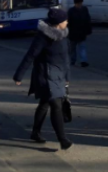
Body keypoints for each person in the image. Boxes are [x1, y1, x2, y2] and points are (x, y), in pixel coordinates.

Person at [13, 9, 73, 150]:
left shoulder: (64, 36)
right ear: (58, 24)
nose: (67, 22)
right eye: (65, 20)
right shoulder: (43, 37)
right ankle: (63, 139)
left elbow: (66, 59)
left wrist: (67, 77)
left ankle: (35, 132)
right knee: (56, 105)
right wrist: (19, 75)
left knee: (45, 103)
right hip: (45, 75)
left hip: (58, 76)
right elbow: (30, 55)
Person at [67, 0, 92, 67]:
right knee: (73, 48)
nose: (80, 5)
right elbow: (68, 22)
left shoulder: (84, 9)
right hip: (73, 32)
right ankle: (73, 60)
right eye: (78, 3)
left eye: (80, 3)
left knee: (82, 47)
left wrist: (88, 29)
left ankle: (83, 61)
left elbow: (88, 20)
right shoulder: (71, 11)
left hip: (81, 32)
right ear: (75, 3)